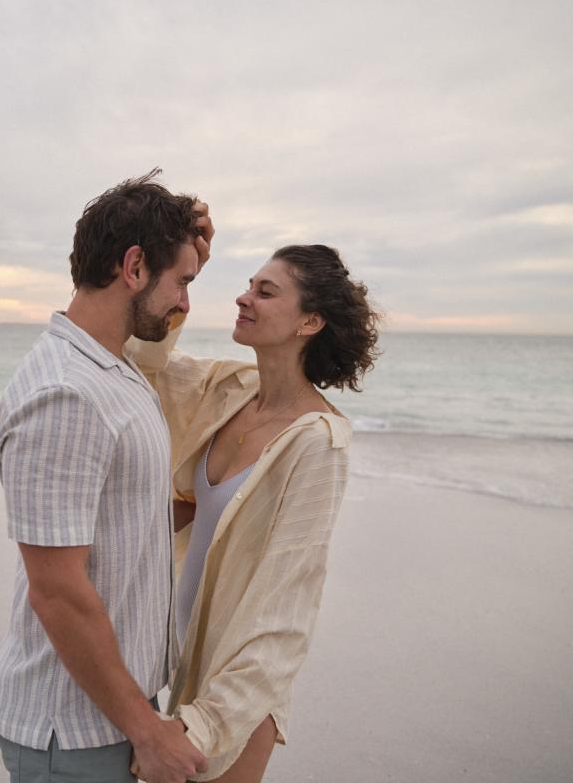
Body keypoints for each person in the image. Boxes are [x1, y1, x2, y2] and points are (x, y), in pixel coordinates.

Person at [0, 170, 214, 783]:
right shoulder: (66, 394)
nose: (185, 304)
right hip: (72, 731)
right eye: (182, 283)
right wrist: (147, 731)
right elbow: (56, 590)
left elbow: (120, 515)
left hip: (109, 715)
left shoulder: (111, 368)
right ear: (134, 266)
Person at [127, 244, 381, 782]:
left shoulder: (318, 443)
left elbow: (287, 606)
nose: (244, 298)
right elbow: (142, 365)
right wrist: (176, 267)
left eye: (265, 292)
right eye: (248, 286)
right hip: (182, 665)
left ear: (310, 321)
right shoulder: (232, 389)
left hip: (237, 702)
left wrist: (206, 724)